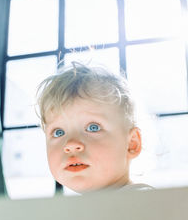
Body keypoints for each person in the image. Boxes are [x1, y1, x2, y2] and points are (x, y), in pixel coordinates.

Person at [36, 62, 153, 193]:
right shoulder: (87, 209)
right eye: (58, 132)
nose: (71, 144)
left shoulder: (140, 199)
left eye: (93, 127)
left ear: (132, 144)